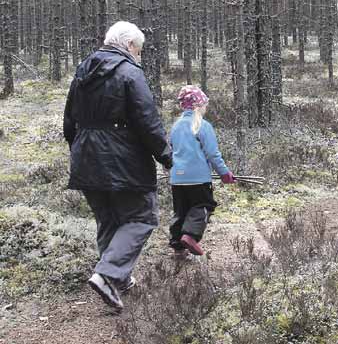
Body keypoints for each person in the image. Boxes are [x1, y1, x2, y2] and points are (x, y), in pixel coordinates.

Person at [63, 21, 172, 310]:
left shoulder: (82, 71)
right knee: (141, 217)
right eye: (138, 48)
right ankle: (108, 274)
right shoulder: (129, 72)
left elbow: (68, 122)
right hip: (123, 161)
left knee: (109, 220)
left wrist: (80, 152)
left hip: (86, 158)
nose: (139, 54)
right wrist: (167, 156)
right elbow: (147, 122)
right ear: (128, 45)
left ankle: (118, 279)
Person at [169, 85, 235, 258]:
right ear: (198, 105)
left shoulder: (175, 127)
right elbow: (212, 154)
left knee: (181, 211)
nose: (206, 107)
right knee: (203, 206)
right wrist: (224, 173)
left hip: (177, 179)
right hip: (199, 179)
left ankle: (178, 247)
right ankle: (190, 236)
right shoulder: (203, 126)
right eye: (204, 104)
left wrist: (171, 171)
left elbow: (169, 152)